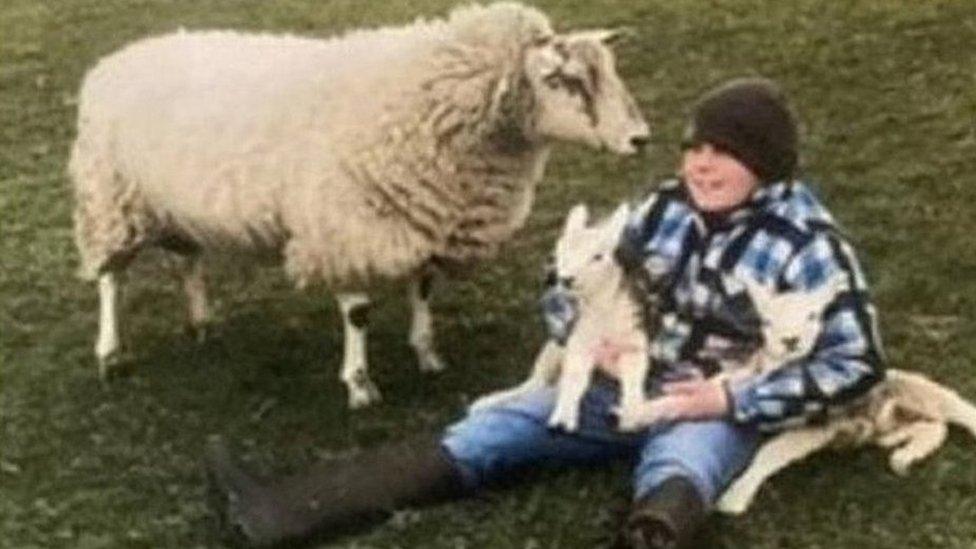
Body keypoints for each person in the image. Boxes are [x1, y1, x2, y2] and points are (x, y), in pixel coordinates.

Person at [206, 78, 886, 549]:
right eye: (694, 148)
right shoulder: (664, 206)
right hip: (615, 376)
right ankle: (277, 511)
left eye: (724, 153)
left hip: (708, 399)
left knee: (685, 465)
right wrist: (587, 336)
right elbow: (564, 278)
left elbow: (857, 362)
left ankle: (651, 530)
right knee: (498, 428)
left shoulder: (807, 243)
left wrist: (730, 394)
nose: (701, 167)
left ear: (765, 164)